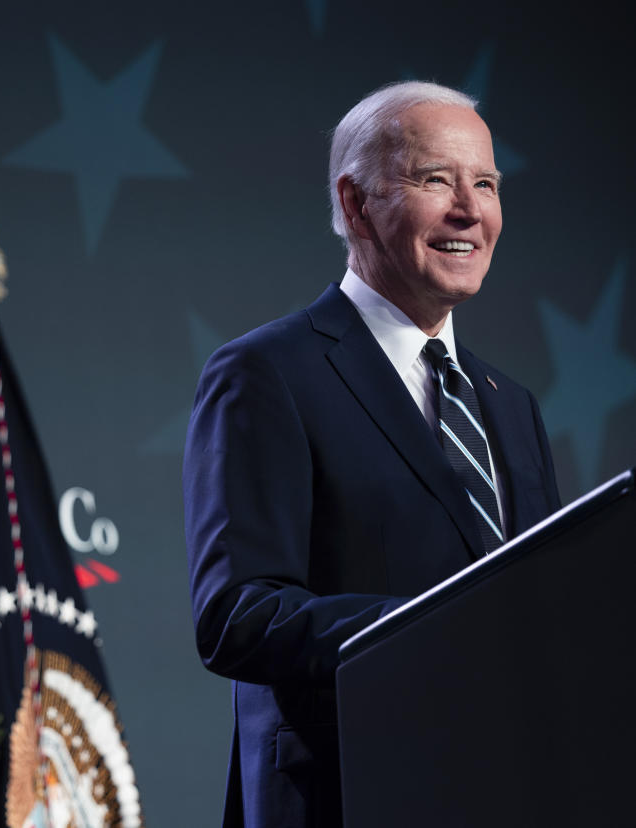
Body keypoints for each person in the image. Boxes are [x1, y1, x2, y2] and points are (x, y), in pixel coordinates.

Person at [182, 81, 561, 828]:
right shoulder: (268, 373)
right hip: (351, 796)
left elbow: (541, 611)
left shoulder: (510, 404)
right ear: (354, 203)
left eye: (485, 183)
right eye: (436, 180)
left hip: (509, 792)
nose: (471, 210)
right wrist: (438, 632)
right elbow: (236, 614)